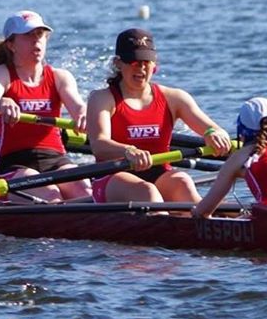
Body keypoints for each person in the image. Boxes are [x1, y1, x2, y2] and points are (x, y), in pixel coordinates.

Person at [87, 27, 232, 206]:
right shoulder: (102, 98)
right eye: (133, 61)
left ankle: (205, 222)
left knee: (183, 182)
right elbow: (99, 145)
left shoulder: (174, 98)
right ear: (118, 63)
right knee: (147, 192)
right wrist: (128, 151)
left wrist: (213, 133)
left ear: (155, 65)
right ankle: (168, 225)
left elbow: (212, 128)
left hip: (159, 174)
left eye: (146, 62)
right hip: (113, 177)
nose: (140, 67)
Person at [0, 10, 88, 201]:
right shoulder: (1, 74)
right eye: (28, 36)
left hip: (55, 159)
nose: (36, 41)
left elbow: (78, 105)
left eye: (40, 35)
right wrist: (1, 102)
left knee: (85, 192)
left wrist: (83, 114)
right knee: (51, 195)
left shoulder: (60, 77)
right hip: (14, 164)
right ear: (11, 44)